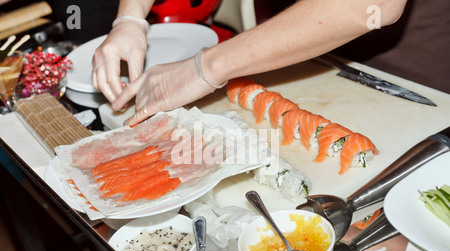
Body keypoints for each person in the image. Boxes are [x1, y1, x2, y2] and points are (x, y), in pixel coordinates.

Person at [92, 0, 408, 127]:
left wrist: (205, 68)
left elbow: (371, 5)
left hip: (398, 73)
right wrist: (131, 17)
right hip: (278, 41)